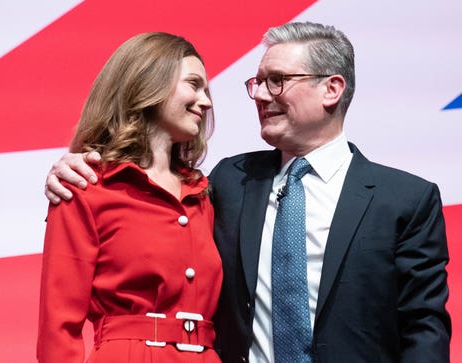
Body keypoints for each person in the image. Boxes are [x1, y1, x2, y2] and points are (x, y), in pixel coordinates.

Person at [43, 22, 451, 362]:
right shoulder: (228, 183)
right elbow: (145, 204)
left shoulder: (405, 200)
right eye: (257, 82)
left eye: (277, 81)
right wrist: (71, 167)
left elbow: (423, 327)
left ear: (332, 89)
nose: (258, 94)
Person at [37, 32, 224, 362]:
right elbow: (58, 328)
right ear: (148, 84)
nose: (206, 101)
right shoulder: (85, 187)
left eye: (206, 90)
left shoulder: (203, 194)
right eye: (194, 85)